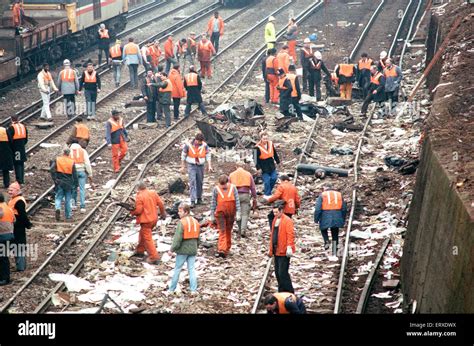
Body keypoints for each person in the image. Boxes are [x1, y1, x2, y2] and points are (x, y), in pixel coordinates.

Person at [130, 181, 166, 265]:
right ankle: (140, 250)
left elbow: (138, 211)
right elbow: (160, 203)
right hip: (154, 219)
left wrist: (132, 211)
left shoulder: (140, 196)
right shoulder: (153, 193)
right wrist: (163, 213)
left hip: (146, 220)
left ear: (138, 188)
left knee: (148, 238)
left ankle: (154, 257)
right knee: (142, 234)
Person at [168, 203, 199, 294]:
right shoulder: (196, 222)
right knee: (191, 269)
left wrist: (172, 249)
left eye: (180, 211)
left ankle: (171, 289)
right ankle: (193, 290)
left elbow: (177, 238)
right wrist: (197, 246)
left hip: (182, 250)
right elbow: (198, 238)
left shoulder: (182, 223)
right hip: (193, 249)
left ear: (186, 212)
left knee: (177, 269)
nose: (178, 213)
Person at [210, 175, 241, 258]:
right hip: (220, 214)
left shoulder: (233, 188)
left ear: (228, 182)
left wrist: (238, 212)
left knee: (228, 230)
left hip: (231, 213)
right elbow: (213, 203)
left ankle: (227, 248)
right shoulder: (216, 189)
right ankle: (222, 249)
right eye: (221, 184)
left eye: (224, 184)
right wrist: (212, 215)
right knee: (222, 230)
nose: (223, 186)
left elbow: (237, 201)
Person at [268, 201, 295, 293]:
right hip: (277, 250)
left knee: (282, 273)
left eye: (276, 212)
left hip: (284, 250)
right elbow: (273, 235)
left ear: (281, 211)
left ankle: (289, 292)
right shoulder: (275, 220)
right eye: (274, 212)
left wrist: (289, 246)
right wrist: (271, 250)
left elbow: (290, 234)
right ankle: (282, 291)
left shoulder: (287, 220)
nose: (275, 214)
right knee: (277, 273)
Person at [314, 185, 347, 256]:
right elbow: (344, 208)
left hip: (325, 215)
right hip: (337, 215)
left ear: (325, 189)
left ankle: (326, 241)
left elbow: (318, 209)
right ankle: (335, 251)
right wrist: (343, 218)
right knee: (335, 234)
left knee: (323, 229)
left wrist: (316, 219)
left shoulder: (322, 195)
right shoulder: (339, 195)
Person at [181, 133, 212, 207]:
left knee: (200, 182)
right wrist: (183, 166)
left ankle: (199, 198)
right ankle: (192, 200)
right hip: (192, 165)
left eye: (201, 142)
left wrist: (209, 165)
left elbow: (208, 155)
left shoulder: (204, 145)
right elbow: (183, 155)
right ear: (196, 140)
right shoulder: (188, 145)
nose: (199, 143)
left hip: (200, 166)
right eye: (198, 142)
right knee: (192, 182)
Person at [7, 182, 31, 271]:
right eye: (9, 190)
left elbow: (23, 214)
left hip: (18, 226)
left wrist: (28, 224)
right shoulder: (14, 199)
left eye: (11, 190)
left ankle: (21, 266)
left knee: (19, 246)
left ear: (17, 191)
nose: (9, 192)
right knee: (17, 245)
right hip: (14, 225)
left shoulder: (19, 201)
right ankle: (20, 265)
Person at [229, 164, 257, 238]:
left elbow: (228, 187)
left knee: (238, 213)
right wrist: (254, 197)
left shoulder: (231, 175)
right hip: (245, 195)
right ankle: (243, 230)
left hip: (235, 196)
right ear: (244, 167)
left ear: (236, 167)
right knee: (245, 214)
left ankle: (239, 228)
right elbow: (253, 187)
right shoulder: (248, 174)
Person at [50, 147, 78, 221]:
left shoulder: (58, 159)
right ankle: (68, 215)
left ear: (63, 152)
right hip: (68, 183)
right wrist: (76, 184)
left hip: (59, 182)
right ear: (69, 153)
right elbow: (75, 175)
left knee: (58, 197)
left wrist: (55, 179)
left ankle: (58, 208)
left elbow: (52, 169)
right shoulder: (71, 162)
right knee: (68, 199)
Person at [254, 131, 279, 197]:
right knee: (267, 181)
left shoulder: (270, 143)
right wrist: (258, 168)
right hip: (263, 166)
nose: (265, 140)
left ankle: (268, 191)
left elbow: (275, 153)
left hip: (271, 164)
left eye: (266, 138)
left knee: (274, 178)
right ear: (261, 139)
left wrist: (278, 161)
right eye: (264, 139)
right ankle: (267, 194)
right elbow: (255, 159)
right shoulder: (256, 147)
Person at [69, 142, 92, 213]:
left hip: (72, 172)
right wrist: (90, 174)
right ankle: (82, 207)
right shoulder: (83, 151)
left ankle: (73, 204)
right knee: (82, 189)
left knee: (73, 188)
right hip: (81, 171)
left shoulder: (69, 151)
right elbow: (87, 163)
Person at [7, 116, 27, 185]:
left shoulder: (11, 127)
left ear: (11, 119)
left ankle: (19, 180)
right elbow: (26, 139)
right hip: (22, 147)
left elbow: (10, 139)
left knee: (17, 164)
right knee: (21, 163)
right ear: (18, 119)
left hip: (15, 148)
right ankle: (22, 179)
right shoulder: (23, 126)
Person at [0, 193, 15, 286]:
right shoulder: (8, 207)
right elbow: (14, 220)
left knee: (2, 258)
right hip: (9, 235)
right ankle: (5, 277)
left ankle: (4, 278)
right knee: (4, 258)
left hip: (2, 236)